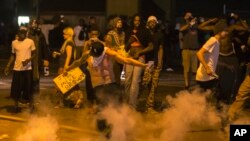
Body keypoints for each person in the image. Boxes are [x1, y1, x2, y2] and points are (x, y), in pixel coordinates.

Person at [65, 41, 147, 109]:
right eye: (93, 54)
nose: (95, 56)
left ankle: (118, 124)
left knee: (117, 106)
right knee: (103, 110)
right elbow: (77, 62)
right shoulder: (87, 54)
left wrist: (143, 65)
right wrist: (68, 68)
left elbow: (127, 60)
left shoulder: (108, 53)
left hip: (110, 83)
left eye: (97, 55)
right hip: (98, 86)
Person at [124, 14, 153, 110]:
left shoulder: (145, 31)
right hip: (129, 56)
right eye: (135, 20)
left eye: (139, 20)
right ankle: (126, 103)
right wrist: (129, 42)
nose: (137, 22)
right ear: (133, 21)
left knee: (135, 81)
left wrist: (140, 52)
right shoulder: (128, 31)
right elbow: (125, 47)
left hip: (140, 57)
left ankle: (132, 105)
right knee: (127, 80)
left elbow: (150, 46)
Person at [4, 29, 36, 112]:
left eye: (23, 34)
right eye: (20, 34)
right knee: (16, 88)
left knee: (28, 87)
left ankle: (31, 105)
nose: (21, 35)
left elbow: (34, 53)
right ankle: (15, 105)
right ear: (18, 34)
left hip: (27, 68)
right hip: (17, 68)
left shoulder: (30, 41)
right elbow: (12, 55)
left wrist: (28, 60)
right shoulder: (14, 42)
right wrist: (8, 66)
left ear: (26, 34)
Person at [52, 27, 82, 108]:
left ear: (68, 35)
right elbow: (66, 55)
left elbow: (68, 56)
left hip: (64, 67)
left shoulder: (69, 43)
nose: (63, 35)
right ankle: (77, 101)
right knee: (71, 85)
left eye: (64, 34)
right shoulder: (69, 42)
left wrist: (65, 67)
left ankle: (61, 103)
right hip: (65, 66)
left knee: (60, 85)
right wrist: (58, 54)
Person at [196, 20, 228, 91]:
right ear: (219, 31)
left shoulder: (217, 42)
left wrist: (226, 65)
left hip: (209, 77)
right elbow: (199, 53)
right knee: (217, 96)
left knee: (209, 99)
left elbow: (212, 59)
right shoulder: (213, 40)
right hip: (205, 78)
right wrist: (207, 68)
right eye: (225, 31)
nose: (227, 33)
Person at [142, 15, 164, 112]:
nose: (152, 23)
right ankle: (133, 102)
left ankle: (149, 106)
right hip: (145, 61)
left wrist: (160, 61)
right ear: (147, 23)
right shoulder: (144, 33)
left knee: (154, 84)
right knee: (145, 82)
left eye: (154, 22)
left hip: (154, 61)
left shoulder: (159, 34)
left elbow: (160, 48)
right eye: (150, 22)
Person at [180, 12, 200, 89]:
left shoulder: (196, 25)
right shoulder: (183, 25)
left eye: (190, 15)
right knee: (186, 69)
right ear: (184, 17)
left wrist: (194, 21)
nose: (189, 16)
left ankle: (191, 82)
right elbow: (181, 29)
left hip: (195, 50)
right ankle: (186, 84)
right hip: (186, 50)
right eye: (187, 15)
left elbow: (201, 27)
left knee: (194, 70)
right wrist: (189, 24)